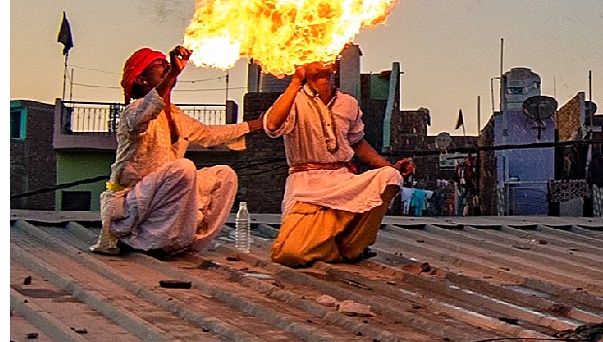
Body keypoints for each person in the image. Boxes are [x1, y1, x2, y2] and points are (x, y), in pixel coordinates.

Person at [91, 45, 263, 256]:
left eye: (166, 63)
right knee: (183, 168)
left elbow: (209, 134)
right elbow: (145, 114)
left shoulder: (175, 115)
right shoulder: (133, 111)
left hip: (163, 200)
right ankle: (150, 241)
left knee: (224, 175)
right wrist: (173, 72)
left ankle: (188, 240)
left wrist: (257, 124)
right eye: (158, 64)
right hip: (133, 207)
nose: (165, 65)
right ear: (142, 80)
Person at [264, 61, 414, 266]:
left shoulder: (348, 103)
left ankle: (352, 247)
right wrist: (296, 81)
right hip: (307, 185)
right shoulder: (293, 100)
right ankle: (332, 249)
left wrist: (387, 165)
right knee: (291, 254)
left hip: (342, 179)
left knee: (389, 177)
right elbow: (272, 125)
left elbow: (357, 142)